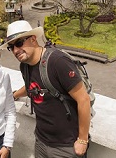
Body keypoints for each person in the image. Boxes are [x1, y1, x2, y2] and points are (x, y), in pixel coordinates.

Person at [6, 21, 90, 157]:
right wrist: (14, 95)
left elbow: (83, 99)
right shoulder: (25, 66)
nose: (16, 50)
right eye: (11, 47)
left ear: (33, 39)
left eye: (19, 43)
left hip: (66, 145)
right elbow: (32, 88)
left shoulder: (57, 62)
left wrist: (82, 139)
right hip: (41, 141)